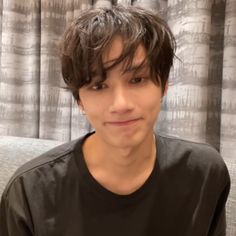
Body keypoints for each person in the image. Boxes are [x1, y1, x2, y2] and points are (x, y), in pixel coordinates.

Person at [0, 5, 230, 236]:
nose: (121, 104)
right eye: (98, 86)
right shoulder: (29, 193)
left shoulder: (204, 173)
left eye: (137, 79)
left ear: (164, 85)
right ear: (80, 100)